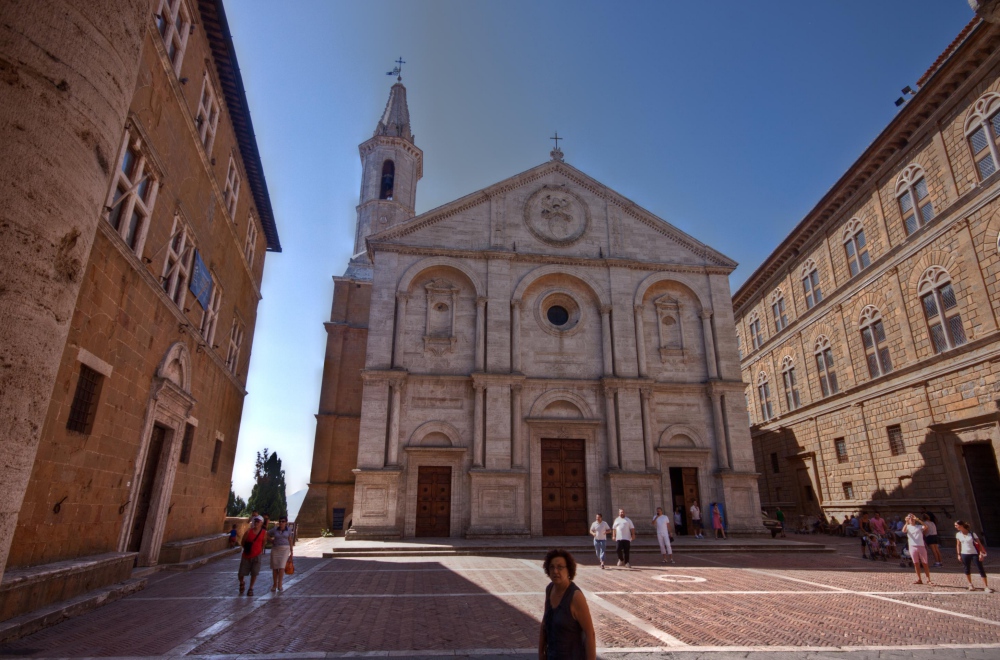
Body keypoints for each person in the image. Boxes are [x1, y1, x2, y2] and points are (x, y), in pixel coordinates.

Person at [538, 549, 596, 660]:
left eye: (560, 567)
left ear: (568, 570)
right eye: (552, 567)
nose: (555, 571)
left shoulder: (575, 597)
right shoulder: (550, 589)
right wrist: (541, 653)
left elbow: (590, 634)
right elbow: (545, 623)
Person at [954, 520, 993, 593]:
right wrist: (958, 554)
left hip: (974, 553)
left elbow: (979, 544)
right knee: (967, 568)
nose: (955, 527)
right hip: (964, 553)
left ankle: (986, 586)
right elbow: (958, 545)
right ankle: (970, 584)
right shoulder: (958, 534)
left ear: (961, 525)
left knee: (980, 568)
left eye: (956, 525)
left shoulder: (972, 533)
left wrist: (981, 553)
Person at [238, 515, 267, 596]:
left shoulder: (264, 533)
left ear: (262, 523)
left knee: (254, 573)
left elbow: (263, 543)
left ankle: (251, 588)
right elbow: (243, 541)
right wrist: (247, 548)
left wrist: (259, 551)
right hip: (247, 555)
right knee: (241, 573)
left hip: (257, 555)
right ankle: (241, 582)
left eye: (258, 521)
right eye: (255, 521)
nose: (256, 523)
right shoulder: (248, 532)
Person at [902, 513, 932, 585]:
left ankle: (928, 579)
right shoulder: (908, 526)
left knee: (925, 563)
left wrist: (918, 519)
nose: (911, 520)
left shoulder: (919, 526)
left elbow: (926, 527)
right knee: (916, 563)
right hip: (912, 546)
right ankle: (919, 579)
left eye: (912, 519)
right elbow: (903, 531)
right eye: (910, 519)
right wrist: (906, 522)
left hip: (921, 546)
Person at [268, 516, 294, 592]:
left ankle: (280, 584)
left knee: (282, 567)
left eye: (283, 521)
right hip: (275, 549)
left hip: (285, 549)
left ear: (286, 522)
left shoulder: (288, 530)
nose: (281, 523)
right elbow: (267, 534)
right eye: (280, 521)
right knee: (275, 567)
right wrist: (271, 540)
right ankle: (274, 584)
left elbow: (290, 539)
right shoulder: (275, 529)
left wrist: (291, 551)